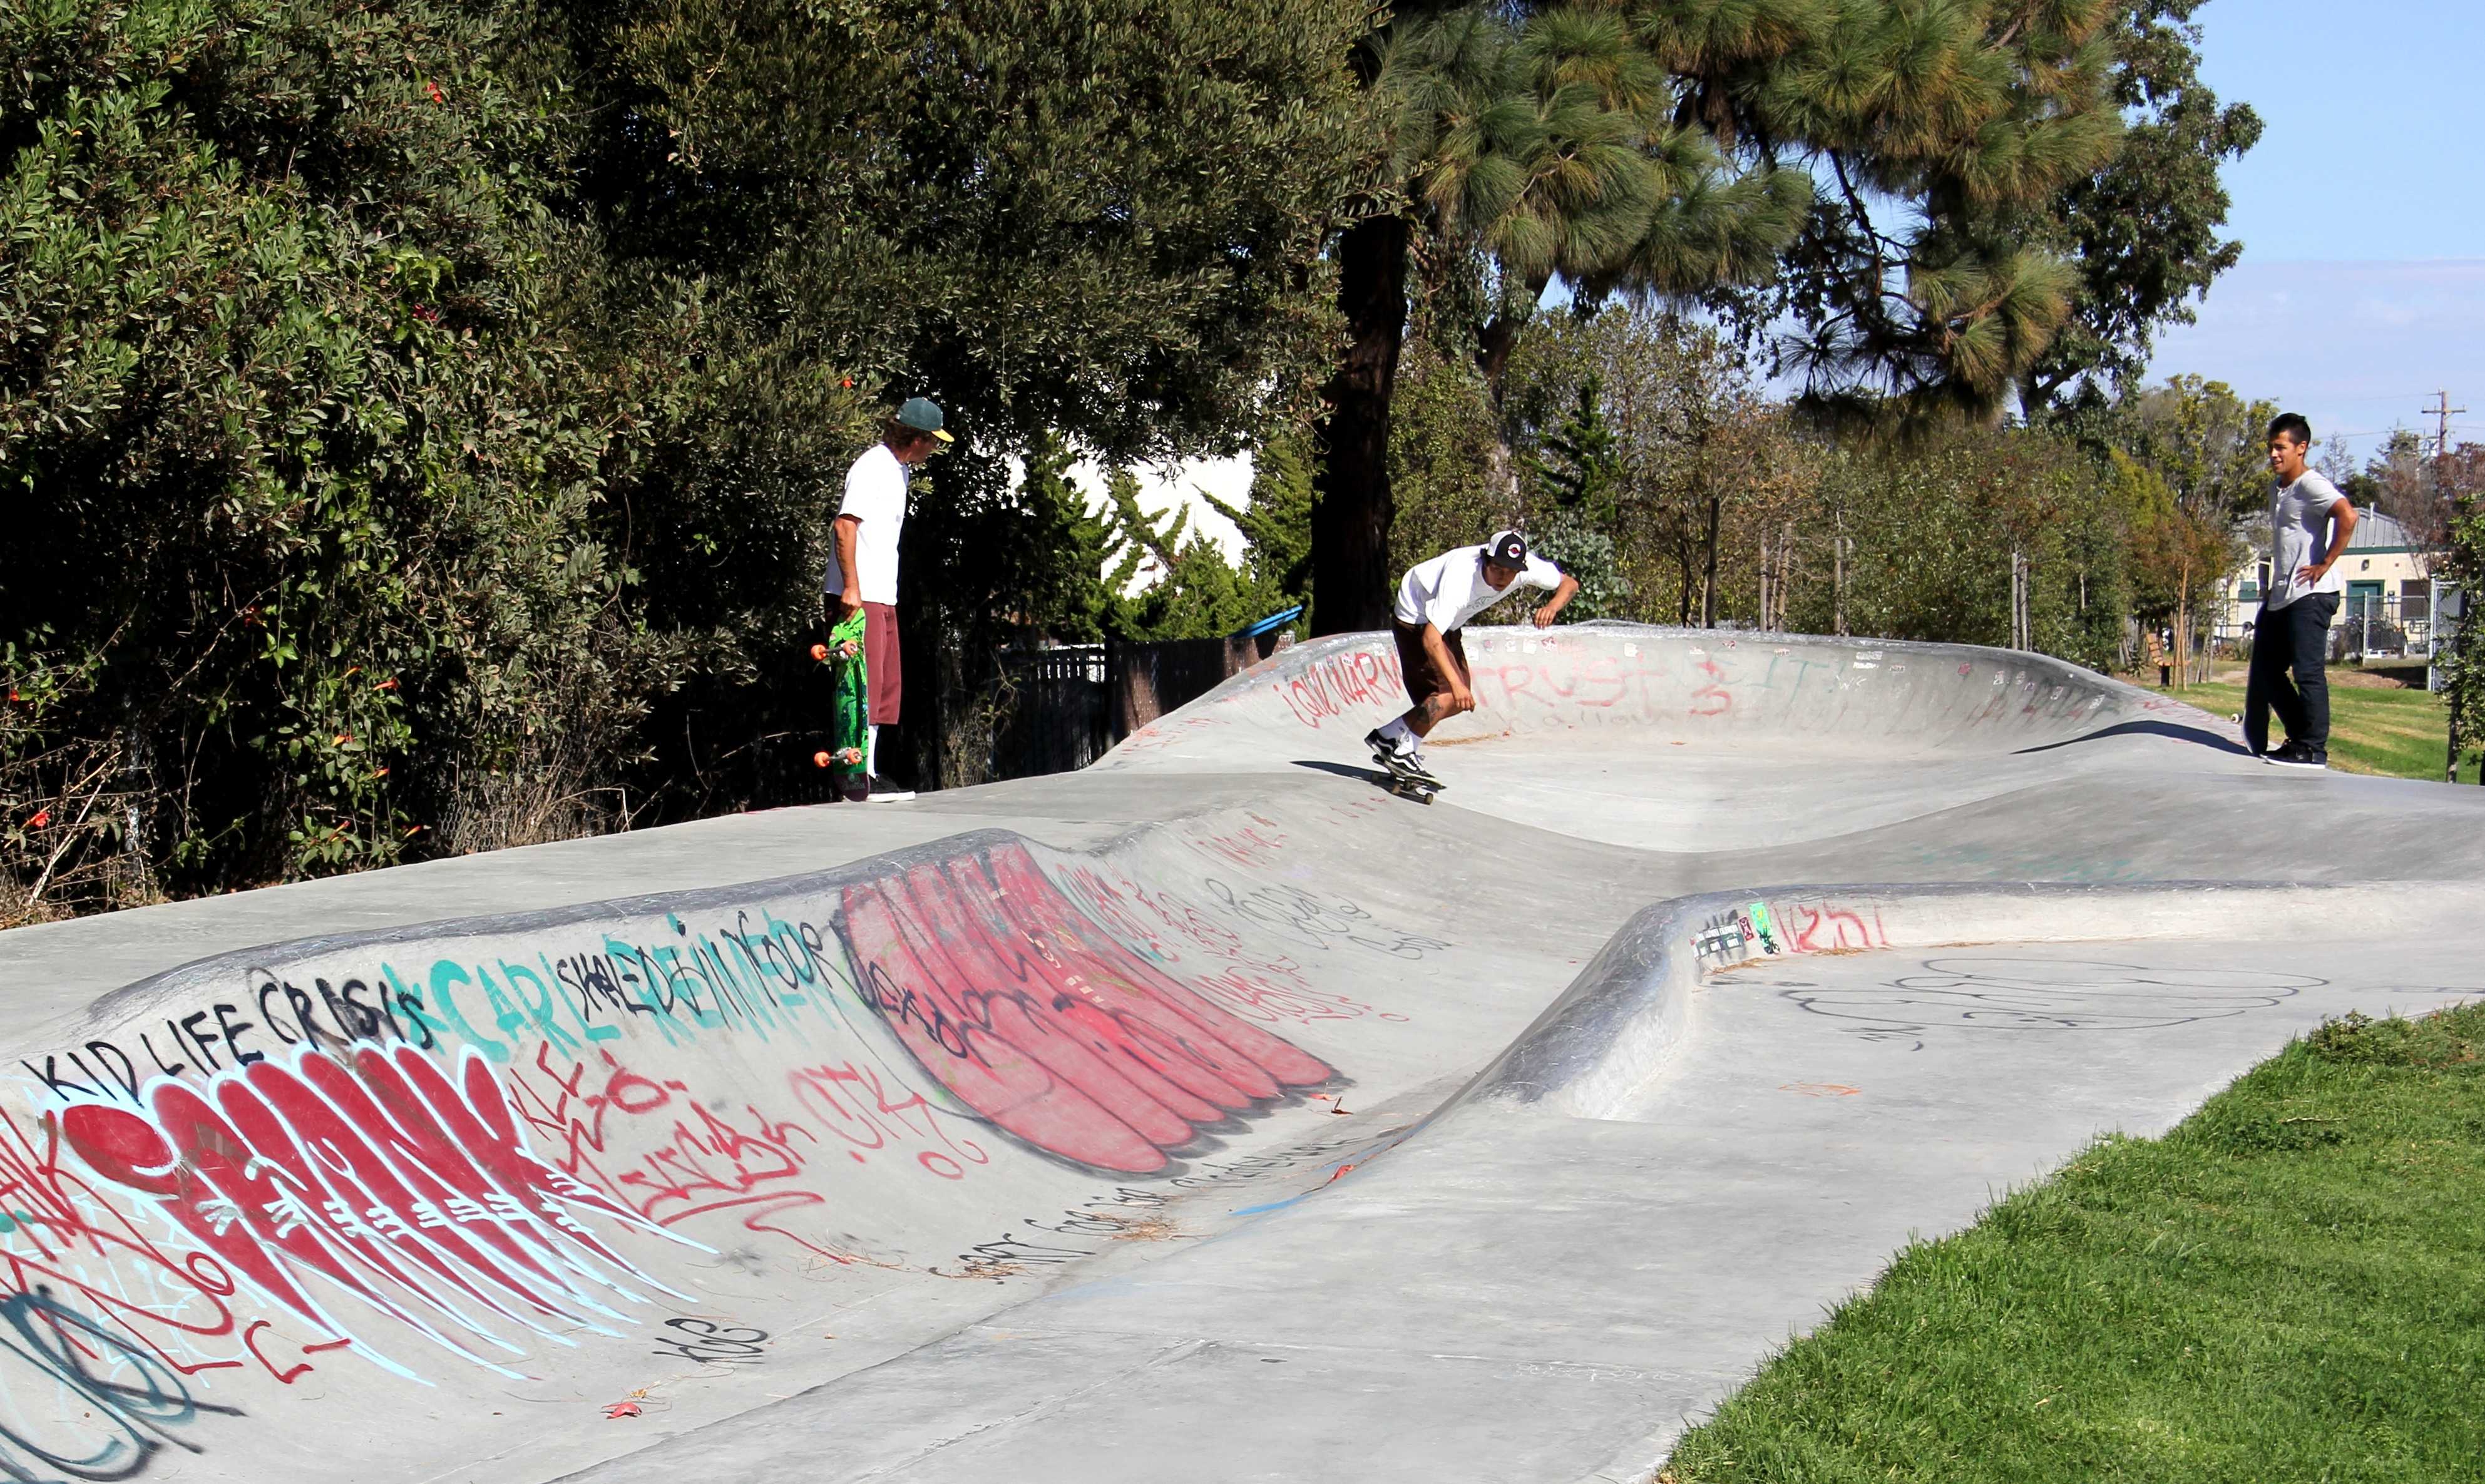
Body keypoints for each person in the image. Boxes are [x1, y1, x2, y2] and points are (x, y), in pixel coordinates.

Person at [1366, 530, 1579, 774]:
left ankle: (1388, 737)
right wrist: (1455, 686)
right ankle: (1403, 752)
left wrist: (1552, 607)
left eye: (1510, 572)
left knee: (1458, 700)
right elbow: (1431, 640)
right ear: (1486, 560)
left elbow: (1569, 584)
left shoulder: (1527, 567)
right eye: (1497, 569)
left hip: (1448, 624)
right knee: (1449, 693)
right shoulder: (1461, 577)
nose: (1502, 578)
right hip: (1416, 617)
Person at [824, 397, 951, 801]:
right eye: (932, 441)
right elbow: (845, 526)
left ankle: (870, 771)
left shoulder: (900, 472)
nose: (934, 449)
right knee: (861, 684)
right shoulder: (873, 467)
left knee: (883, 687)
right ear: (916, 438)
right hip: (861, 596)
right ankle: (857, 774)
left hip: (883, 594)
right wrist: (851, 588)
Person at [2245, 412, 2358, 770]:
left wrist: (2325, 562)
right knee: (2266, 670)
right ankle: (2299, 738)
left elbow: (2348, 515)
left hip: (2312, 593)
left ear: (2301, 448)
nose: (2274, 454)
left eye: (2281, 448)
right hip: (2283, 595)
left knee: (2307, 673)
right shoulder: (2276, 489)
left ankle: (2313, 751)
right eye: (2271, 448)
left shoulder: (2312, 484)